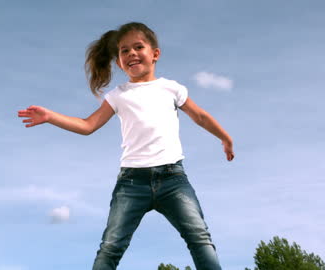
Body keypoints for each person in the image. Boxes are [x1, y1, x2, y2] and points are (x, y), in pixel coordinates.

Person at [18, 22, 234, 270]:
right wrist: (50, 116)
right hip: (132, 183)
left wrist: (225, 138)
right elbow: (88, 125)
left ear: (155, 54)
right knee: (110, 247)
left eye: (138, 47)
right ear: (120, 62)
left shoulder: (171, 88)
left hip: (173, 179)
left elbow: (200, 117)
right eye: (124, 51)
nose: (131, 53)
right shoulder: (118, 95)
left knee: (200, 238)